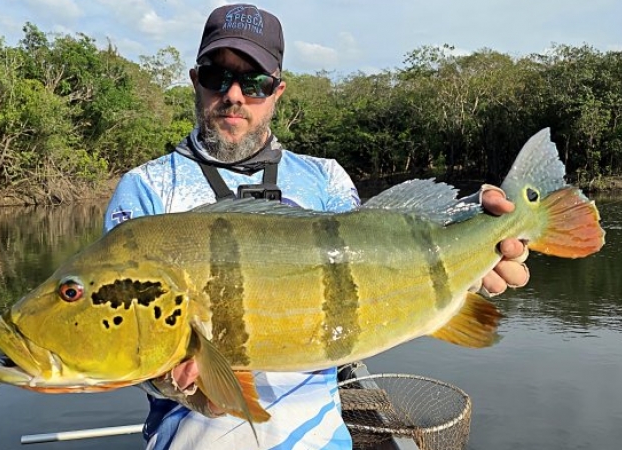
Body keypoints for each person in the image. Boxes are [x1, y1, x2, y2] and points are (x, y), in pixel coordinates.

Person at [103, 4, 529, 449]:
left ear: (278, 90)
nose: (233, 94)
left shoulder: (325, 179)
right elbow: (123, 348)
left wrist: (474, 232)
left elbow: (382, 258)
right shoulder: (144, 190)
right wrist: (176, 385)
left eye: (255, 82)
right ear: (195, 80)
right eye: (216, 75)